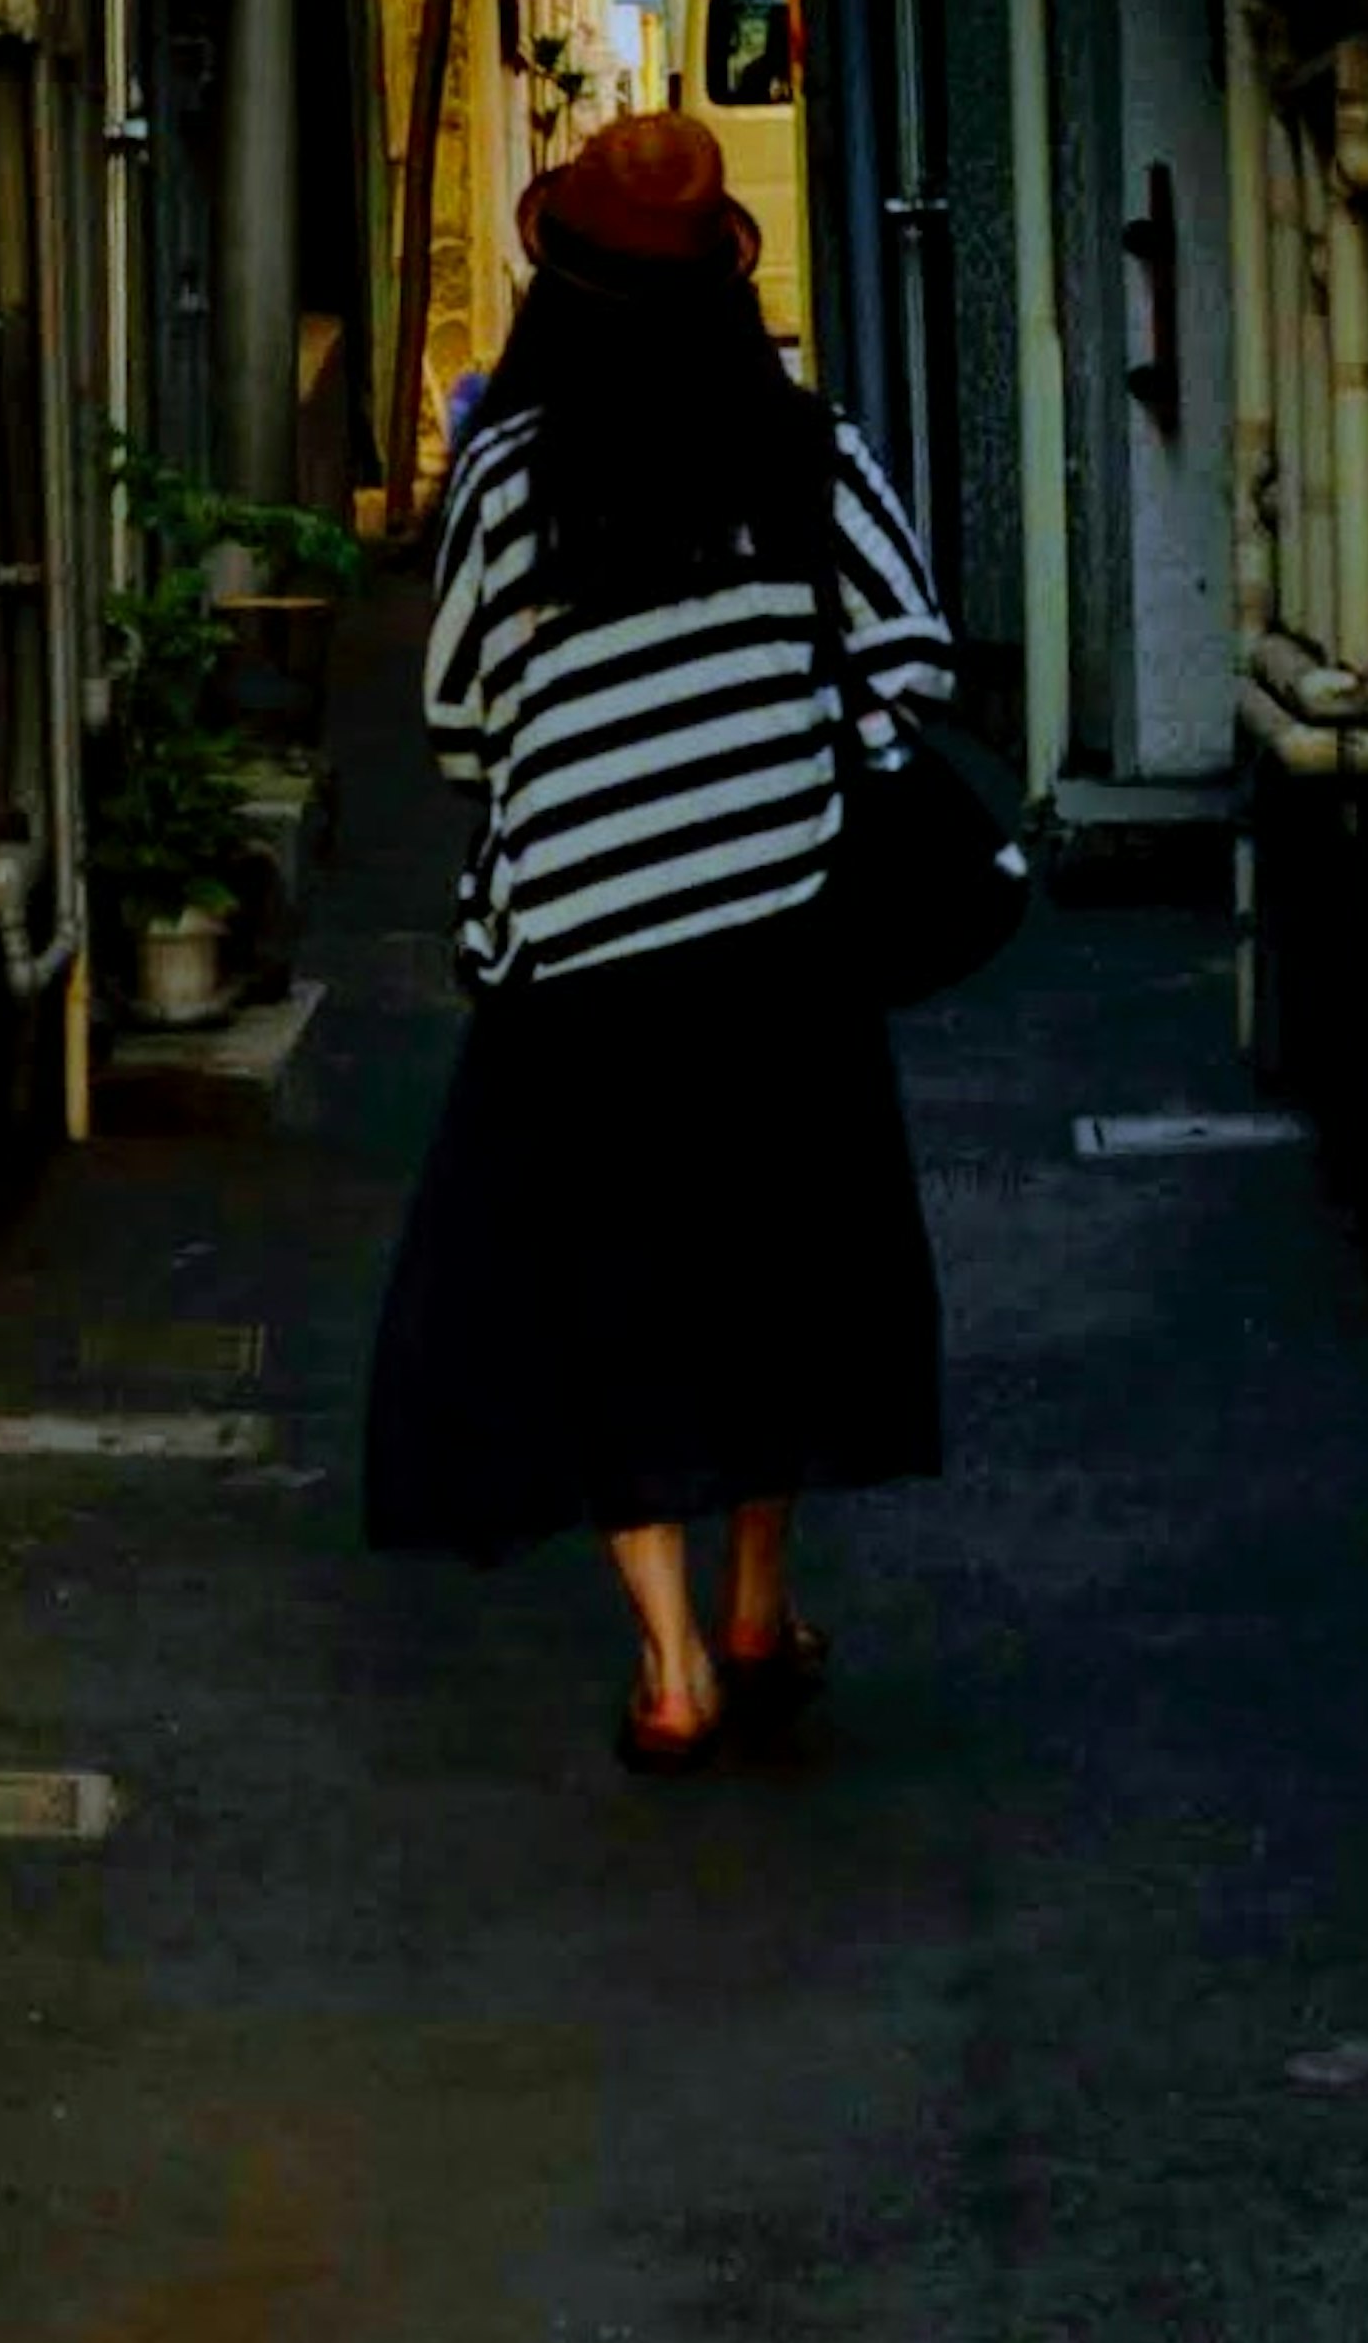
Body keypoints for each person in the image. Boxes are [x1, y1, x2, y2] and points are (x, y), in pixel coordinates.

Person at [361, 107, 959, 1770]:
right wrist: (793, 756)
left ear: (558, 280)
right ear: (721, 281)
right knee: (776, 1280)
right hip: (781, 945)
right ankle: (764, 1606)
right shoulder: (802, 447)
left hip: (585, 965)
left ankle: (675, 1663)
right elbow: (911, 655)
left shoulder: (501, 472)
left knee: (617, 1302)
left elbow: (461, 727)